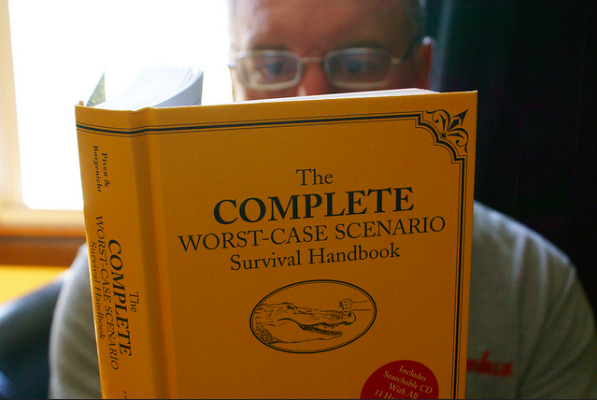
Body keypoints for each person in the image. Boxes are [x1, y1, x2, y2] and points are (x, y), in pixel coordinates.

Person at [49, 0, 597, 398]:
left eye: (357, 65)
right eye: (271, 67)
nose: (309, 99)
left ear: (422, 73)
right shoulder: (120, 286)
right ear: (235, 79)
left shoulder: (534, 288)